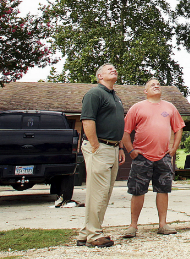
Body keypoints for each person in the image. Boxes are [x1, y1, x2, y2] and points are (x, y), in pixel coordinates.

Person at [120, 77, 185, 237]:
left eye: (158, 84)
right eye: (152, 85)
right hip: (142, 157)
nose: (156, 86)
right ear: (145, 91)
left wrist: (174, 148)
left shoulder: (170, 108)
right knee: (137, 191)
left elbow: (179, 128)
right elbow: (125, 131)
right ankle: (133, 226)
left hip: (163, 156)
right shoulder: (137, 108)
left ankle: (163, 224)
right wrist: (131, 151)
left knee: (163, 189)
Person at [75, 64, 126, 248]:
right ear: (99, 76)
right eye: (109, 69)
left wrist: (120, 147)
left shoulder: (116, 97)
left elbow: (117, 124)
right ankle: (94, 235)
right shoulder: (94, 94)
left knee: (104, 192)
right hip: (100, 148)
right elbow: (88, 120)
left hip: (112, 148)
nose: (114, 70)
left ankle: (85, 233)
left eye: (115, 68)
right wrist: (96, 146)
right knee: (98, 192)